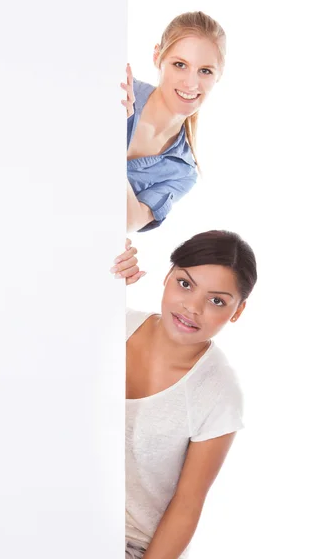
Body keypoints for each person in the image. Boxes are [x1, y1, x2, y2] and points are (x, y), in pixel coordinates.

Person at [110, 230, 258, 559]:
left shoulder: (219, 392)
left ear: (237, 311)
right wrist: (102, 268)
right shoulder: (110, 326)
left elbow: (187, 504)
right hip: (62, 514)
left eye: (217, 300)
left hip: (133, 546)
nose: (192, 307)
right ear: (167, 276)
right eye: (185, 284)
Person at [122, 11, 226, 233]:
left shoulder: (182, 172)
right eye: (180, 64)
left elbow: (128, 221)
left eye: (205, 71)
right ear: (157, 57)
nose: (191, 83)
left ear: (219, 75)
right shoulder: (121, 89)